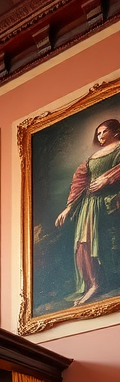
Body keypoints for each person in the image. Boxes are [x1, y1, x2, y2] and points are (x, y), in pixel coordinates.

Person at [55, 118, 120, 306]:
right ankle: (93, 283)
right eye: (98, 133)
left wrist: (107, 179)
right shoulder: (92, 158)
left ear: (115, 131)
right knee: (83, 245)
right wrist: (68, 208)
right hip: (88, 206)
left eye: (104, 132)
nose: (100, 136)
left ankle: (105, 282)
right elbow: (80, 183)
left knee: (105, 244)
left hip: (109, 205)